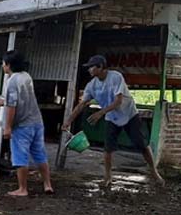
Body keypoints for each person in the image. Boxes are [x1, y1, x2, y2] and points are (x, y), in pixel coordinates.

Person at [62, 55, 164, 187]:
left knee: (142, 145)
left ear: (100, 67)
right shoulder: (91, 85)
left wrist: (101, 112)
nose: (89, 70)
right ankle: (108, 177)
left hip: (129, 114)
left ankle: (154, 172)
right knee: (108, 148)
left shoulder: (115, 77)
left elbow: (118, 101)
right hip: (112, 117)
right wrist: (68, 121)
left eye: (91, 67)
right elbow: (81, 105)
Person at [0, 50, 54, 197]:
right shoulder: (26, 76)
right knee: (39, 154)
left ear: (9, 65)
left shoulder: (12, 81)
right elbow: (20, 98)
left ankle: (22, 188)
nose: (2, 66)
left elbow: (12, 105)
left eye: (4, 63)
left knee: (20, 156)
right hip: (36, 121)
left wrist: (8, 127)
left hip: (22, 124)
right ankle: (47, 184)